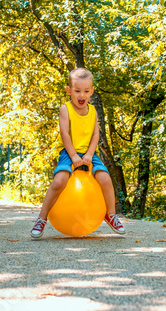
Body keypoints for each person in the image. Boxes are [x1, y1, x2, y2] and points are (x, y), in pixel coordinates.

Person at [30, 68, 125, 238]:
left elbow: (96, 135)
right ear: (69, 90)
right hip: (69, 152)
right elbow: (65, 134)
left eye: (86, 91)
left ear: (92, 91)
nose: (82, 95)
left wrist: (89, 154)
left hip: (89, 154)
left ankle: (111, 215)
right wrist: (73, 156)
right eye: (77, 91)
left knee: (105, 178)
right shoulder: (65, 109)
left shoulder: (93, 111)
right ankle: (41, 219)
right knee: (60, 181)